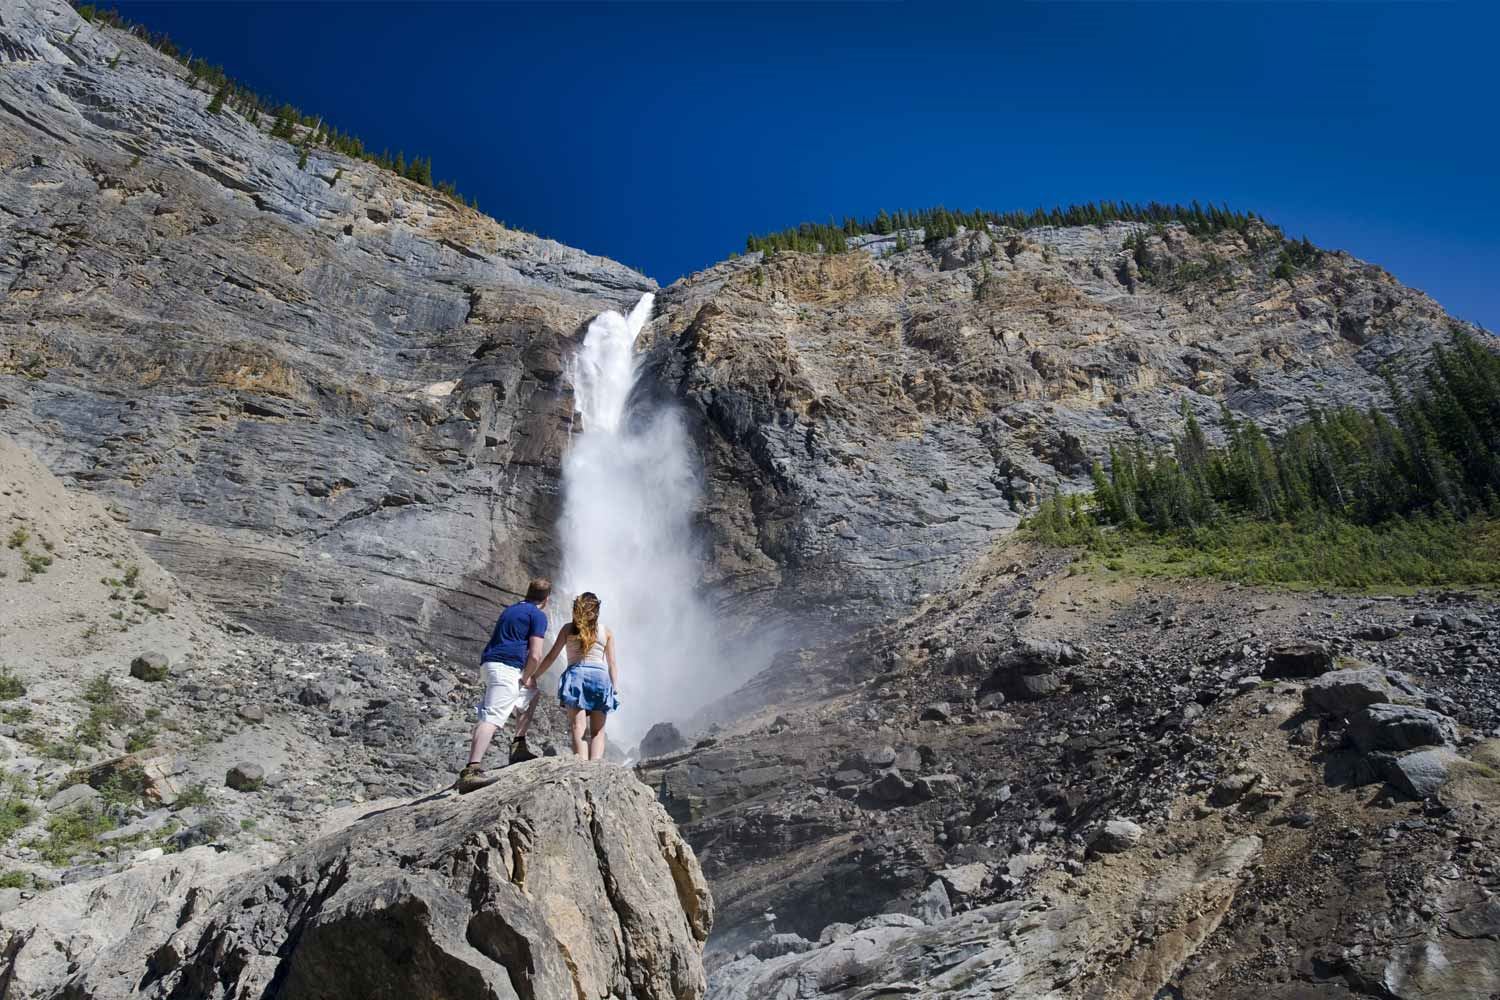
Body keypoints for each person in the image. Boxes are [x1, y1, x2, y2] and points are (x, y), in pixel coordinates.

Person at [456, 577, 550, 794]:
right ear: (546, 599)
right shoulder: (537, 615)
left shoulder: (512, 609)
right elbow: (535, 655)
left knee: (531, 694)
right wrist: (527, 675)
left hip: (492, 664)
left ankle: (518, 744)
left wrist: (526, 680)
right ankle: (472, 769)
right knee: (493, 717)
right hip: (505, 668)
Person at [536, 591, 619, 760]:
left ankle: (580, 765)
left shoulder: (568, 629)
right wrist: (614, 687)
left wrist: (535, 675)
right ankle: (596, 767)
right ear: (596, 610)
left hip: (577, 677)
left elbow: (552, 656)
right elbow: (612, 663)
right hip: (600, 679)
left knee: (578, 727)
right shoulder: (606, 631)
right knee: (598, 732)